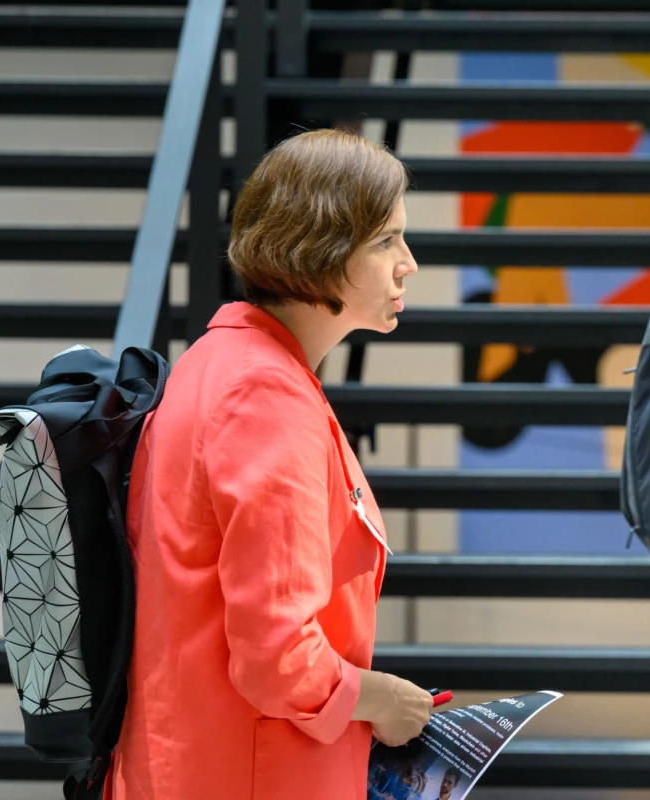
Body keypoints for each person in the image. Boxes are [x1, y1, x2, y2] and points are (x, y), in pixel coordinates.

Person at [110, 129, 431, 799]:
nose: (409, 264)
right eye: (385, 241)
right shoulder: (264, 395)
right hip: (245, 772)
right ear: (321, 252)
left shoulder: (220, 363)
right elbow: (279, 657)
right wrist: (382, 700)